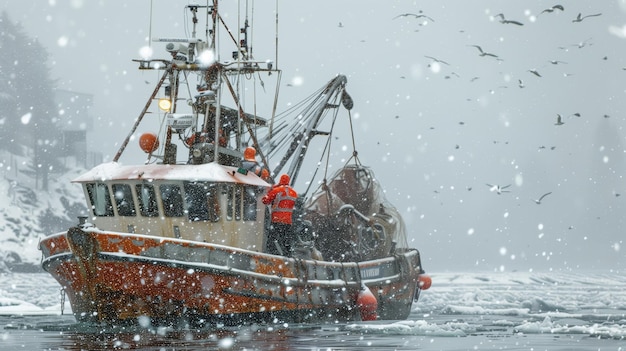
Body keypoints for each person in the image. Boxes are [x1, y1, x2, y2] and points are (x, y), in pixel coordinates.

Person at [262, 174, 298, 256]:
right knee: (286, 240)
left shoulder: (277, 190)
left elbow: (265, 201)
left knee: (271, 240)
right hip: (288, 221)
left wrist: (269, 191)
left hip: (277, 220)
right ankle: (288, 256)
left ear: (280, 180)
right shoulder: (294, 193)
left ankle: (272, 255)